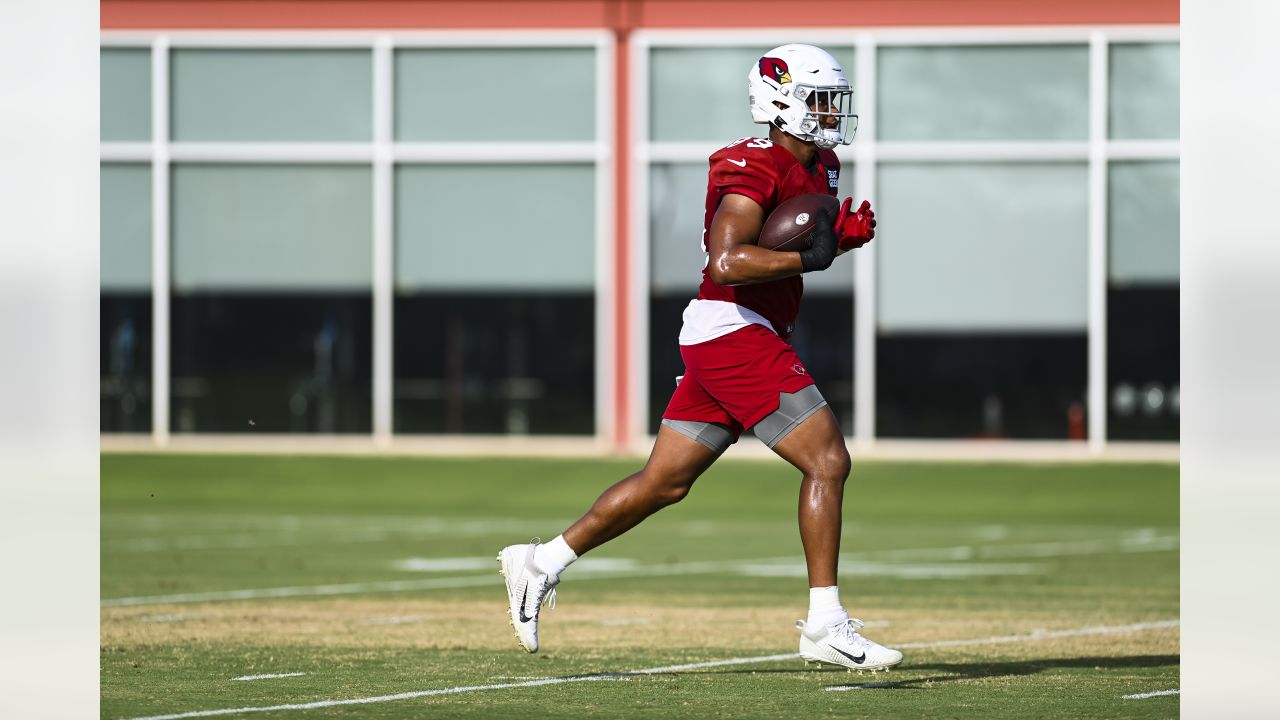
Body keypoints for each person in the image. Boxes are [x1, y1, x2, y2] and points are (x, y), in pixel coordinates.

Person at [498, 43, 902, 672]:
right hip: (733, 328)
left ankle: (540, 561)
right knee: (827, 459)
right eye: (820, 99)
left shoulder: (823, 164)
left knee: (665, 482)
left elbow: (791, 254)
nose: (830, 113)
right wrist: (814, 255)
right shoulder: (751, 166)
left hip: (743, 329)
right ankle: (825, 622)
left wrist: (836, 243)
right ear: (781, 101)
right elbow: (728, 261)